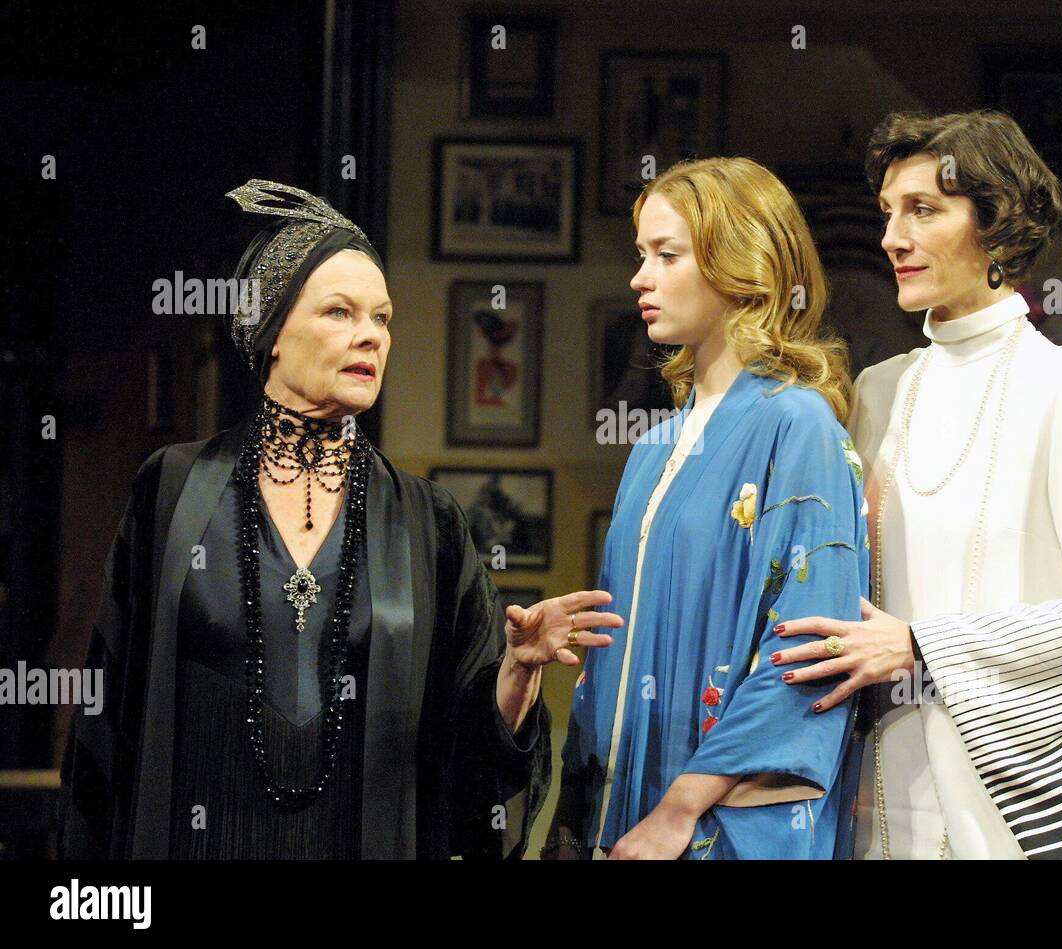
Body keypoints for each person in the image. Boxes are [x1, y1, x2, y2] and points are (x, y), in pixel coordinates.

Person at [55, 179, 621, 859]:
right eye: (339, 312)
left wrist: (519, 672)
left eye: (382, 318)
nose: (370, 336)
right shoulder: (174, 490)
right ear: (270, 332)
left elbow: (469, 767)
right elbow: (108, 724)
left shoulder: (428, 522)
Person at [774, 111, 1062, 859]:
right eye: (888, 212)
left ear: (998, 224)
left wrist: (922, 647)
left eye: (923, 209)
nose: (892, 237)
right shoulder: (876, 391)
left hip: (1009, 814)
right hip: (871, 798)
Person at [543, 157, 870, 860]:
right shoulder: (651, 447)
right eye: (642, 255)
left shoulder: (800, 427)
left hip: (713, 829)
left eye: (667, 255)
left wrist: (679, 809)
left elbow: (809, 649)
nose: (641, 278)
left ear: (741, 265)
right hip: (621, 822)